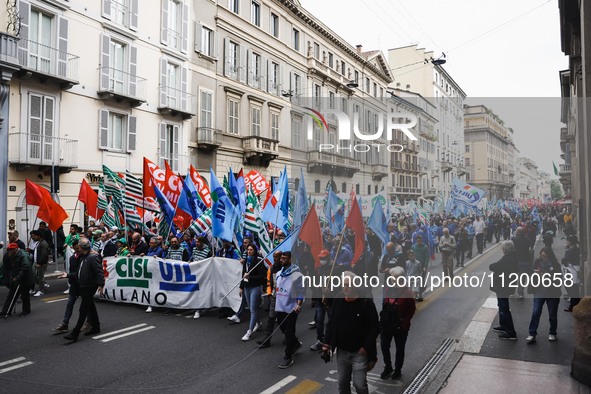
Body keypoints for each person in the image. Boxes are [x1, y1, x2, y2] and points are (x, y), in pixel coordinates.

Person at [323, 271, 379, 393]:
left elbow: (375, 327)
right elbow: (331, 323)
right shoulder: (338, 300)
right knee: (342, 384)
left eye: (348, 284)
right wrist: (326, 344)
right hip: (342, 352)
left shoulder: (366, 303)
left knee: (359, 385)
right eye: (343, 284)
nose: (345, 288)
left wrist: (365, 347)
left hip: (359, 352)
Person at [62, 238, 105, 342]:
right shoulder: (83, 257)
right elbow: (78, 272)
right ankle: (96, 327)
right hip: (84, 285)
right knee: (90, 306)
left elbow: (99, 272)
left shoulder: (92, 257)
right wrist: (68, 275)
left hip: (89, 286)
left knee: (83, 309)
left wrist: (101, 284)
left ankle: (75, 332)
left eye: (79, 247)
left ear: (81, 247)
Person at [379, 267, 416, 380]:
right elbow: (384, 303)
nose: (391, 279)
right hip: (387, 324)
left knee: (400, 349)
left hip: (400, 326)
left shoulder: (407, 292)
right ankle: (388, 367)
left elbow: (411, 309)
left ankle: (398, 370)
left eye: (393, 277)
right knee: (384, 346)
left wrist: (404, 322)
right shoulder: (387, 288)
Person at [275, 251, 305, 369]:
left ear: (291, 260)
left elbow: (301, 290)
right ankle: (295, 343)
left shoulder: (297, 275)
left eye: (284, 258)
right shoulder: (279, 273)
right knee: (281, 325)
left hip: (292, 307)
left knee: (289, 331)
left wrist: (299, 304)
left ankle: (288, 357)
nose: (281, 260)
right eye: (281, 258)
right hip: (280, 305)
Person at [526, 247, 562, 344]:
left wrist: (544, 275)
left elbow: (559, 278)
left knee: (552, 315)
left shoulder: (555, 265)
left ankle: (552, 333)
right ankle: (532, 333)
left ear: (549, 256)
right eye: (541, 256)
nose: (543, 258)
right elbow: (531, 273)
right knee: (536, 312)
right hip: (539, 290)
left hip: (552, 292)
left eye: (545, 256)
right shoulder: (537, 262)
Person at [489, 241, 518, 340]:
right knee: (501, 306)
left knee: (504, 308)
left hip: (503, 286)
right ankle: (503, 326)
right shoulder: (513, 257)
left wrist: (492, 266)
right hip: (505, 285)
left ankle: (511, 332)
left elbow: (494, 266)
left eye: (503, 249)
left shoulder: (508, 258)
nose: (502, 250)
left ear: (506, 249)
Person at [53, 239, 81, 333]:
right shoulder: (72, 258)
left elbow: (80, 272)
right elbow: (72, 270)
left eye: (79, 247)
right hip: (74, 285)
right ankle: (65, 323)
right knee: (69, 304)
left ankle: (90, 322)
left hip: (83, 284)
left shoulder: (85, 257)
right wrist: (70, 279)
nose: (77, 249)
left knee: (86, 306)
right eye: (76, 247)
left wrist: (69, 275)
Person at [257, 250, 283, 348]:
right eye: (274, 257)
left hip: (284, 299)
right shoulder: (271, 269)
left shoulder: (286, 269)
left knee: (282, 319)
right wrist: (269, 293)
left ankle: (290, 337)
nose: (275, 259)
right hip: (274, 297)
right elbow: (269, 282)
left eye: (277, 257)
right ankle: (267, 339)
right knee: (271, 318)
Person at [239, 244, 265, 342]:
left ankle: (249, 332)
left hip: (255, 288)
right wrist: (241, 287)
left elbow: (262, 277)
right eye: (248, 250)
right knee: (251, 308)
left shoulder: (259, 261)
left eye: (251, 250)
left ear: (254, 251)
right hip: (247, 288)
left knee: (253, 309)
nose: (249, 251)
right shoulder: (246, 261)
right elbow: (243, 275)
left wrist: (251, 277)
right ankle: (258, 324)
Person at [0, 243, 34, 317]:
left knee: (25, 295)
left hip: (25, 279)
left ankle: (26, 310)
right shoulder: (13, 255)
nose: (8, 252)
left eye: (10, 250)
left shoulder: (23, 256)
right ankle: (5, 311)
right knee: (11, 295)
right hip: (16, 278)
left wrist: (17, 277)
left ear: (15, 249)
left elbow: (25, 267)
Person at [562, 235, 581, 312]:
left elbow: (565, 260)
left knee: (572, 288)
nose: (566, 242)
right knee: (573, 287)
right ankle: (573, 302)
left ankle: (573, 305)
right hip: (574, 269)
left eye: (567, 240)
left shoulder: (570, 251)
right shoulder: (576, 249)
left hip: (572, 270)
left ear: (570, 242)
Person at [511, 227, 531, 298]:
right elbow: (530, 248)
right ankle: (520, 293)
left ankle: (512, 291)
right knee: (522, 278)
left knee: (513, 276)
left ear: (517, 232)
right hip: (525, 260)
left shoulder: (513, 239)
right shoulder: (527, 240)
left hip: (514, 261)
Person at [30, 230, 50, 296]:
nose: (33, 237)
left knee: (40, 277)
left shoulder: (43, 243)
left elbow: (44, 254)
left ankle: (41, 290)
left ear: (39, 236)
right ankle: (43, 285)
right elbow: (37, 252)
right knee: (34, 276)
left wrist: (40, 263)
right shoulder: (38, 243)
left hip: (41, 263)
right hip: (36, 262)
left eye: (34, 236)